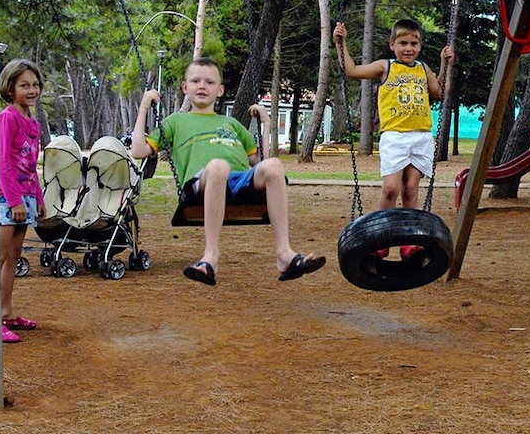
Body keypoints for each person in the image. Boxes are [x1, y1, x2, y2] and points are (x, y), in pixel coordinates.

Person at [130, 58, 324, 285]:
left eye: (209, 82)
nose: (202, 86)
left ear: (220, 90)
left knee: (274, 166)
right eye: (195, 81)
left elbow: (260, 162)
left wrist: (266, 125)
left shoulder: (231, 123)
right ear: (185, 88)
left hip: (238, 181)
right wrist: (144, 107)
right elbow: (138, 150)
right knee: (218, 166)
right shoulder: (176, 122)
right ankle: (210, 257)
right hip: (201, 182)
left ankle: (284, 254)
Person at [333, 19, 454, 260]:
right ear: (392, 45)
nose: (408, 48)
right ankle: (381, 238)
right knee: (391, 189)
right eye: (403, 43)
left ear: (419, 46)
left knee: (411, 189)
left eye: (413, 44)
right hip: (395, 136)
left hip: (421, 136)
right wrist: (341, 43)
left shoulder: (423, 68)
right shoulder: (385, 66)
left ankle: (409, 241)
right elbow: (352, 71)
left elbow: (440, 92)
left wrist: (445, 64)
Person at [0, 59, 47, 343]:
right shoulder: (8, 118)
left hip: (26, 196)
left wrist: (38, 198)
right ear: (10, 88)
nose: (32, 90)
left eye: (35, 85)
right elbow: (3, 162)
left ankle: (6, 312)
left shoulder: (33, 123)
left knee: (14, 255)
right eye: (24, 85)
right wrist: (14, 200)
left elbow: (31, 165)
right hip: (8, 197)